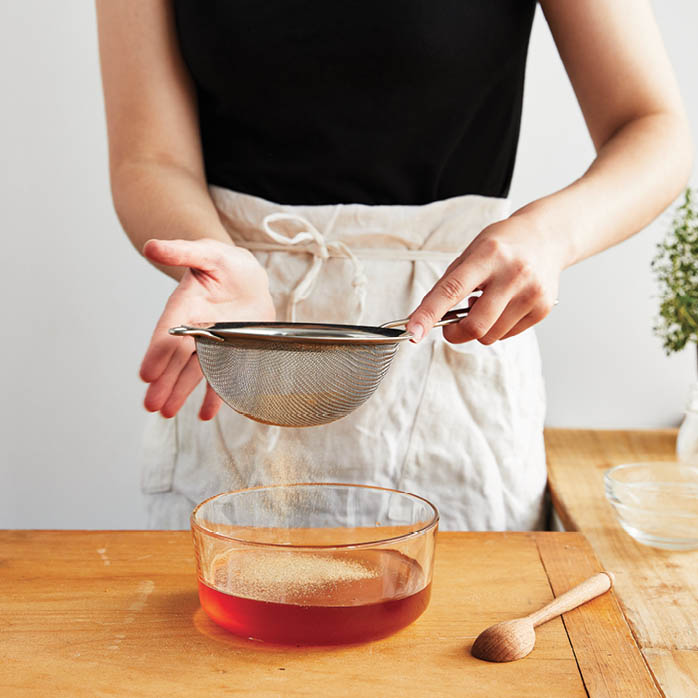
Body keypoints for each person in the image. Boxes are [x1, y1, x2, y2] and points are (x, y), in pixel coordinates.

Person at [96, 1, 691, 530]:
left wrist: (550, 235)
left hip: (450, 360)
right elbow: (148, 156)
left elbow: (652, 125)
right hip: (246, 347)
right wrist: (213, 256)